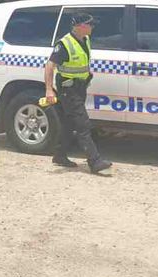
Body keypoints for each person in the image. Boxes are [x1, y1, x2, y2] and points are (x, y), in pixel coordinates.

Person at [44, 13, 112, 174]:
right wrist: (48, 89)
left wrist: (86, 75)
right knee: (83, 124)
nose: (92, 27)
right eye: (90, 24)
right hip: (68, 89)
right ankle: (95, 162)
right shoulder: (64, 44)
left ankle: (59, 155)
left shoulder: (85, 39)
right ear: (80, 26)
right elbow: (49, 66)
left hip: (80, 87)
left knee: (69, 122)